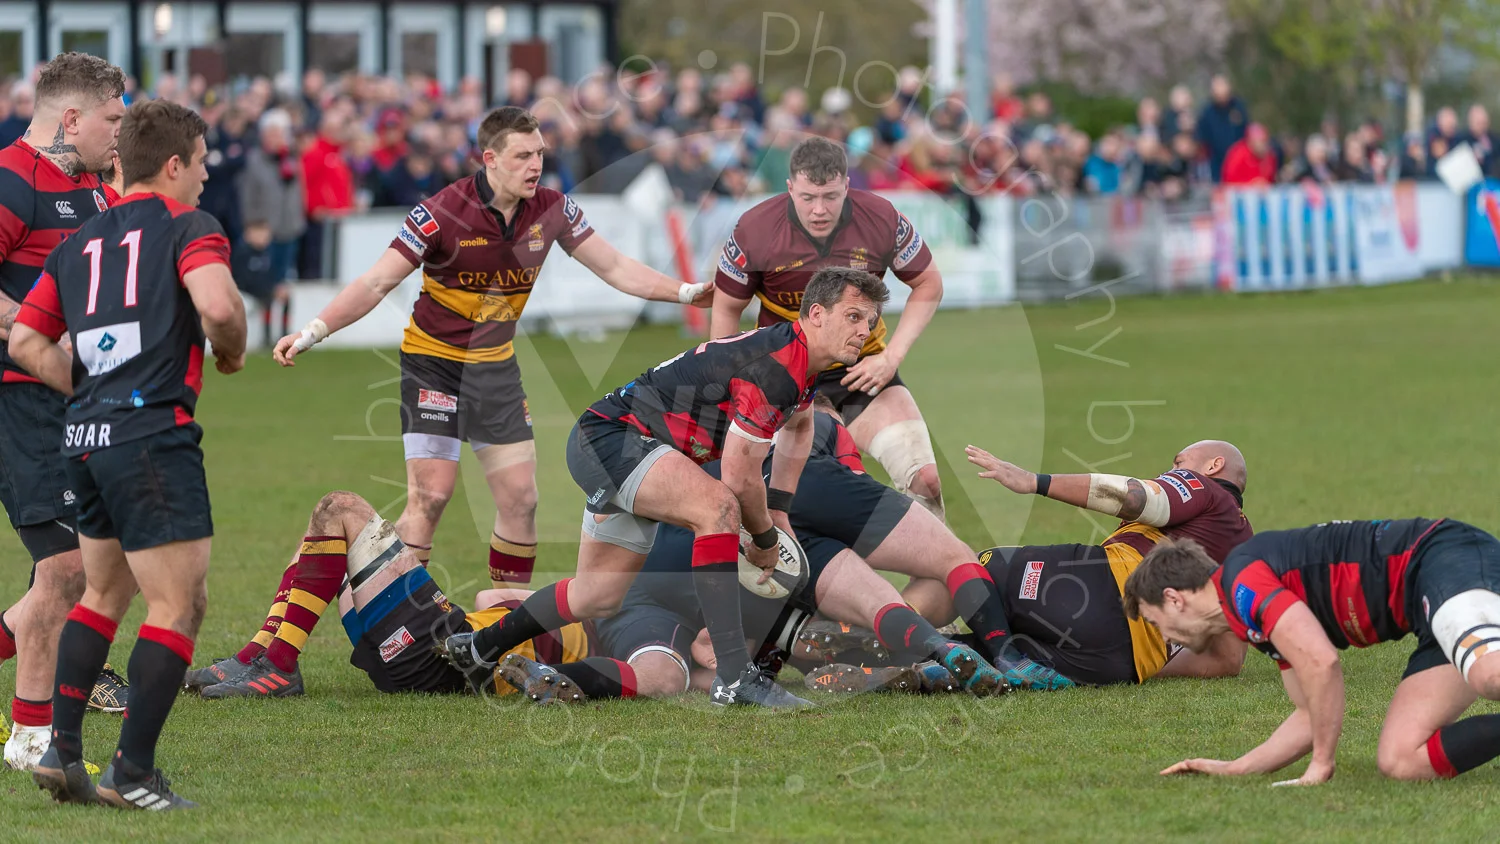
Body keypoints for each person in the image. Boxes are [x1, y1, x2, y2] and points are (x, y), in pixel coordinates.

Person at [269, 108, 711, 673]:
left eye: (540, 154)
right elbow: (376, 281)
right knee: (431, 497)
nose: (536, 165)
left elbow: (616, 267)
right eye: (523, 155)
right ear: (490, 159)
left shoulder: (552, 209)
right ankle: (401, 623)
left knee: (521, 500)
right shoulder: (441, 212)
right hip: (433, 367)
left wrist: (685, 292)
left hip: (495, 371)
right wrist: (313, 331)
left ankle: (506, 630)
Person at [442, 267, 890, 710]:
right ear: (816, 314)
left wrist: (779, 507)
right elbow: (738, 476)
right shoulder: (776, 367)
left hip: (611, 442)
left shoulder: (798, 360)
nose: (863, 331)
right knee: (718, 507)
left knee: (596, 595)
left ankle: (478, 647)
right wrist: (766, 538)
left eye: (869, 322)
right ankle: (735, 677)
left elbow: (800, 425)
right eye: (853, 316)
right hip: (614, 439)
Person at [12, 98, 247, 809]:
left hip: (84, 438)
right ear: (173, 165)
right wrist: (232, 351)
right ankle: (133, 773)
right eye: (201, 163)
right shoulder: (189, 226)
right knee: (180, 604)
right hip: (151, 437)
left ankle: (62, 750)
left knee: (104, 594)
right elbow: (218, 308)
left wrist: (88, 390)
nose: (205, 177)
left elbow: (25, 341)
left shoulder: (77, 242)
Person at [501, 406, 1007, 703]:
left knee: (665, 676)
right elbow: (847, 516)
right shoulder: (825, 430)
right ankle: (919, 647)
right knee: (861, 580)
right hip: (730, 560)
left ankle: (567, 680)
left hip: (647, 572)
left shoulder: (724, 435)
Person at [1125, 519, 1500, 784]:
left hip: (1445, 558)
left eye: (1154, 621)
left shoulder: (1242, 583)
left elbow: (1321, 662)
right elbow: (1308, 713)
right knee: (1402, 761)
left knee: (1491, 676)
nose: (1163, 636)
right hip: (1426, 612)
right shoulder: (1251, 621)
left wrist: (1322, 763)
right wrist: (1236, 768)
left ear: (1173, 599)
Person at [0, 52, 128, 772]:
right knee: (67, 566)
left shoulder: (95, 190)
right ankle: (30, 738)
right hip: (19, 398)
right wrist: (43, 332)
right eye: (112, 119)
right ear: (71, 118)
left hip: (77, 399)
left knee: (93, 564)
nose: (120, 132)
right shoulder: (12, 180)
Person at [710, 137, 948, 520]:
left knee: (927, 481)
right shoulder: (754, 229)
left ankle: (937, 559)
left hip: (862, 371)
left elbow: (928, 284)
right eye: (807, 197)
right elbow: (726, 308)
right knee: (817, 497)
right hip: (786, 379)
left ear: (847, 186)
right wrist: (731, 384)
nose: (819, 209)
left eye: (830, 196)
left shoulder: (882, 218)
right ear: (790, 188)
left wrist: (891, 357)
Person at [903, 441, 1252, 688]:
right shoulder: (1241, 547)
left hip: (1101, 594)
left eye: (1178, 463)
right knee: (978, 647)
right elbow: (1228, 659)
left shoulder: (1204, 488)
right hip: (1118, 664)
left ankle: (895, 625)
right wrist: (1146, 668)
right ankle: (919, 666)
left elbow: (1139, 499)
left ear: (1213, 466)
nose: (1169, 471)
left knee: (970, 566)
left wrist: (1035, 482)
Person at [183, 491, 596, 699]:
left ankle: (277, 666)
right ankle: (259, 655)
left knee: (338, 509)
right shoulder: (585, 607)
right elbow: (490, 598)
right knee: (320, 541)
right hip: (433, 648)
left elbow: (496, 600)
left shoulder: (602, 625)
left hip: (442, 655)